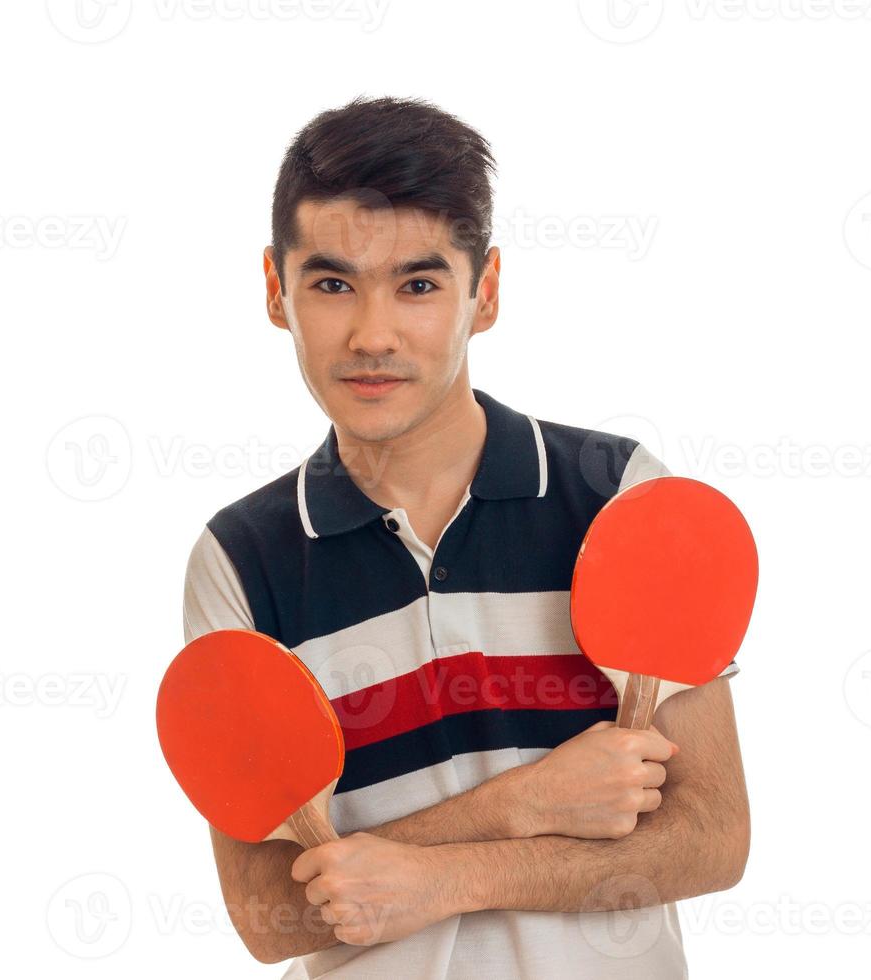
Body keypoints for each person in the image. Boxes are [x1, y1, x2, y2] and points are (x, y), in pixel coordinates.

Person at [181, 95, 749, 980]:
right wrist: (524, 803)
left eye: (419, 283)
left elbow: (711, 836)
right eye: (333, 284)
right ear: (274, 291)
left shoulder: (618, 494)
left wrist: (444, 876)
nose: (373, 335)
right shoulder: (241, 561)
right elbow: (267, 918)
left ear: (483, 292)